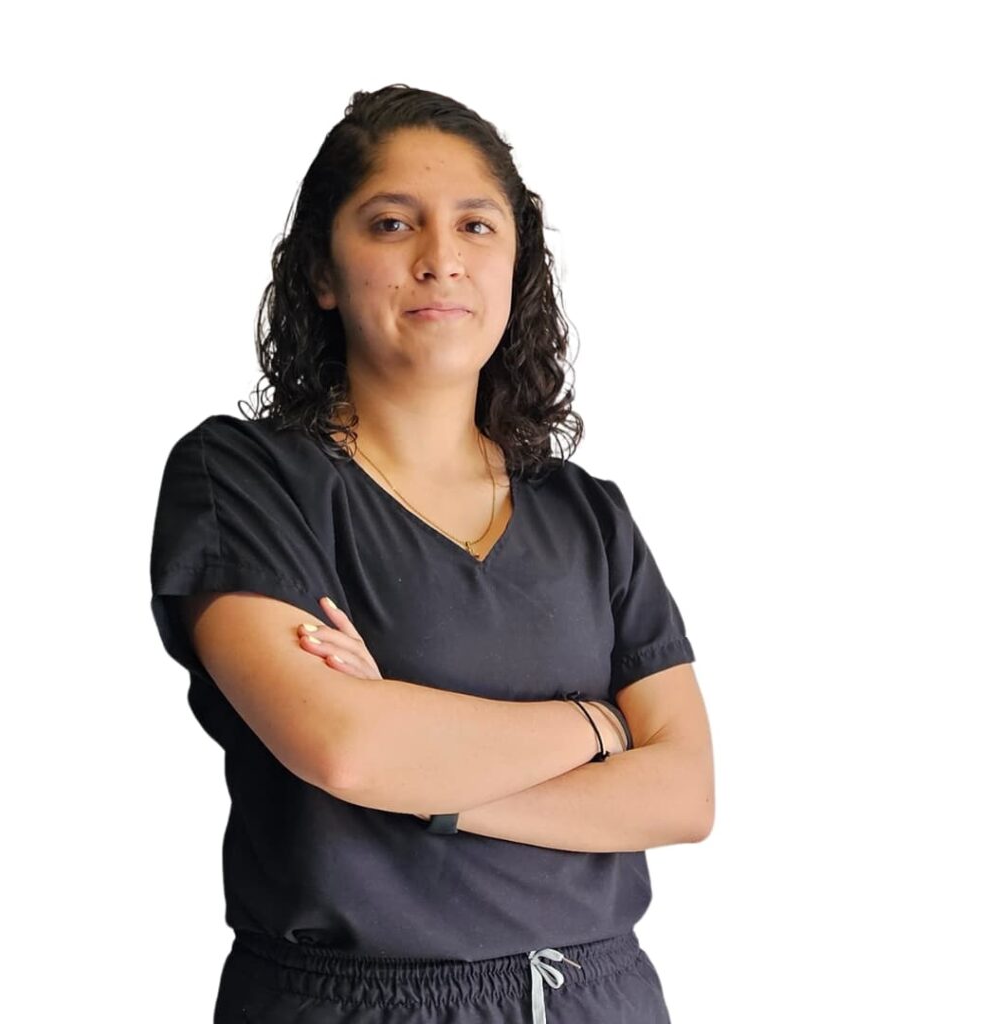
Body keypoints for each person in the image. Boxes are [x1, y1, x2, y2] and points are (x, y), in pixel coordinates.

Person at [149, 84, 714, 1024]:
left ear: (516, 269)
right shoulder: (245, 478)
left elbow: (686, 794)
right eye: (392, 223)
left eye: (476, 226)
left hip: (597, 998)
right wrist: (599, 726)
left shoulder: (588, 515)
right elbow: (350, 748)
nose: (441, 258)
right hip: (355, 1005)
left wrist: (437, 791)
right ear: (323, 271)